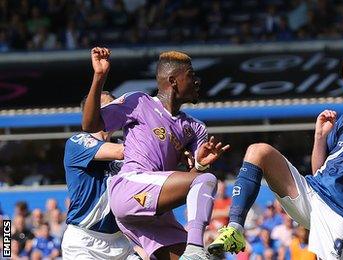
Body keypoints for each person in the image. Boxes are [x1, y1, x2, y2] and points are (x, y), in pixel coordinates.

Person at [208, 44, 343, 259]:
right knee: (259, 152)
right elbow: (318, 169)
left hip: (340, 212)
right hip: (311, 192)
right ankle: (235, 229)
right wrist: (320, 137)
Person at [81, 47, 229, 259]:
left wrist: (200, 165)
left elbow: (194, 182)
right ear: (173, 80)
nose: (197, 81)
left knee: (204, 178)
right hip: (130, 187)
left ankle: (194, 252)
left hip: (156, 213)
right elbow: (90, 125)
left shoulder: (195, 128)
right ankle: (196, 248)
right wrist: (99, 76)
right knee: (209, 180)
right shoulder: (139, 102)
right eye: (191, 75)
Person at [61, 90, 138, 259]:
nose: (118, 110)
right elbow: (120, 153)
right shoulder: (78, 142)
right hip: (84, 242)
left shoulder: (124, 145)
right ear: (94, 111)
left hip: (119, 241)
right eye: (111, 105)